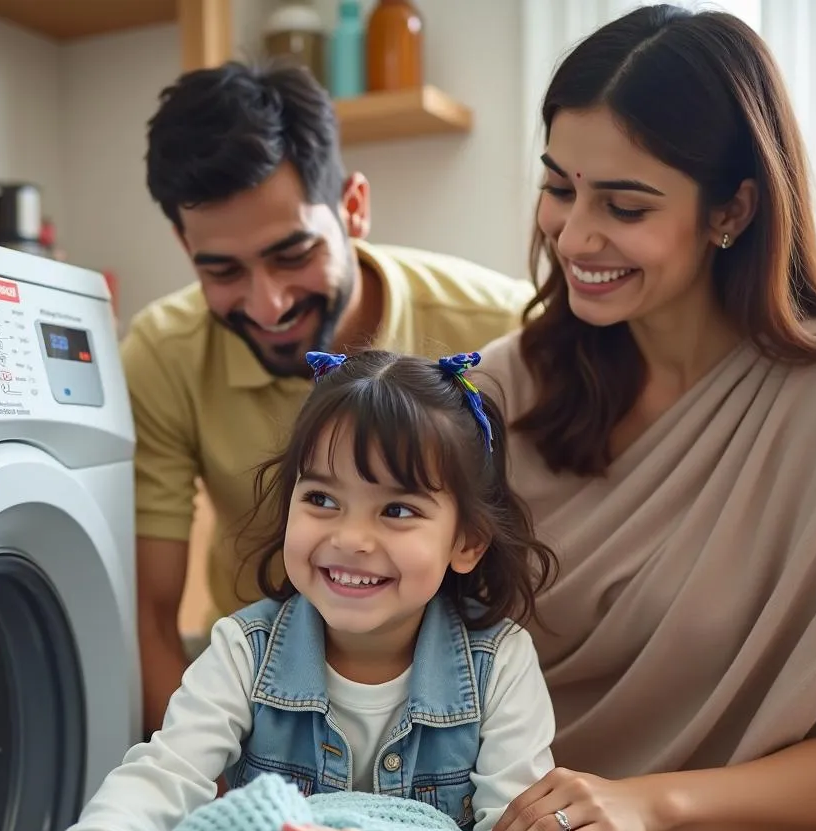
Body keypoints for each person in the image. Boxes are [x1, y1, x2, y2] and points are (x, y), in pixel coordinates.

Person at [471, 6, 816, 831]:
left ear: (731, 210)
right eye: (556, 186)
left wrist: (650, 800)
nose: (574, 235)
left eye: (622, 203)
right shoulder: (494, 394)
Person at [0, 349, 577, 831]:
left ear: (467, 541)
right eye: (323, 499)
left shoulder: (498, 662)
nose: (351, 538)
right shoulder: (244, 649)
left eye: (397, 510)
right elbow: (166, 775)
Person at [124, 62, 534, 734]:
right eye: (221, 270)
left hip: (466, 714)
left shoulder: (502, 332)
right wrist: (217, 792)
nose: (268, 303)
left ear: (354, 206)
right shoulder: (163, 353)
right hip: (256, 705)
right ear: (183, 245)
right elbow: (151, 613)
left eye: (292, 255)